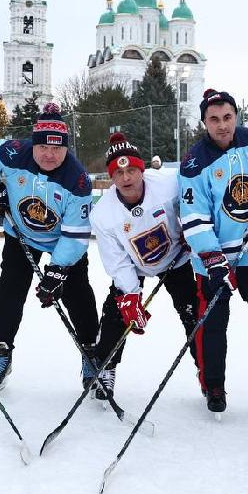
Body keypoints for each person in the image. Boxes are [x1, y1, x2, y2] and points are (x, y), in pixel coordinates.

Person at [0, 102, 97, 392]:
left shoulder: (77, 180)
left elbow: (76, 235)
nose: (50, 155)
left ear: (66, 148)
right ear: (33, 143)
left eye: (57, 149)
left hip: (61, 240)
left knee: (78, 293)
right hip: (21, 234)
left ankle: (91, 354)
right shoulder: (13, 151)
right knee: (10, 288)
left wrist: (56, 271)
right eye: (43, 148)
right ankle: (2, 352)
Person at [179, 88, 248, 414]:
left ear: (235, 116)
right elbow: (194, 219)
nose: (222, 125)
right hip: (213, 260)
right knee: (214, 322)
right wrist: (214, 260)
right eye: (214, 120)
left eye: (227, 117)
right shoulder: (194, 164)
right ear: (204, 122)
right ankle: (213, 384)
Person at [90, 132, 198, 400]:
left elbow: (194, 199)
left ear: (142, 169)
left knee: (194, 313)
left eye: (131, 170)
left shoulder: (168, 184)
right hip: (134, 265)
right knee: (115, 314)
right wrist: (130, 295)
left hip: (177, 258)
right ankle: (105, 368)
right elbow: (116, 261)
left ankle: (207, 372)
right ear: (111, 177)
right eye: (118, 173)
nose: (126, 178)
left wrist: (191, 230)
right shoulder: (103, 214)